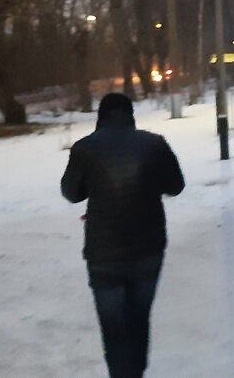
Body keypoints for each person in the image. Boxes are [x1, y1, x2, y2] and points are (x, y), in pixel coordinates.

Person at [61, 93, 185, 378]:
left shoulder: (85, 149)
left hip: (103, 254)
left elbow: (71, 193)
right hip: (148, 249)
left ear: (100, 116)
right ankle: (137, 372)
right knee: (140, 317)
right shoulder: (154, 144)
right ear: (130, 114)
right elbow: (176, 186)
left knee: (113, 324)